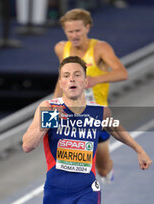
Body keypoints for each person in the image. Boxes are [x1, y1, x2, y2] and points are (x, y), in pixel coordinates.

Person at [22, 56, 152, 204]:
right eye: (66, 76)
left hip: (86, 191)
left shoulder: (99, 112)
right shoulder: (48, 107)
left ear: (85, 81)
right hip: (55, 195)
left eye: (77, 75)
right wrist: (50, 119)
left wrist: (139, 150)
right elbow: (28, 145)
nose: (72, 79)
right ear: (61, 83)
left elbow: (116, 129)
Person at [53, 8, 129, 183]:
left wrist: (96, 79)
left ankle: (105, 170)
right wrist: (54, 104)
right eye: (70, 31)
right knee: (73, 165)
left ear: (87, 28)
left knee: (102, 168)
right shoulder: (61, 49)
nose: (74, 35)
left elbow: (122, 73)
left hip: (97, 116)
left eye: (78, 30)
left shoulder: (100, 49)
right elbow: (61, 78)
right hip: (71, 114)